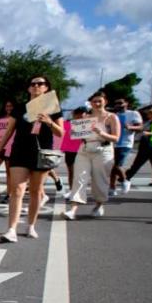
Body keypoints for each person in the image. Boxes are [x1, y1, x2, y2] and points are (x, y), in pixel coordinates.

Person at [0, 76, 63, 242]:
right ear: (28, 89)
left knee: (35, 191)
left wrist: (49, 122)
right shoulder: (20, 108)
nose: (35, 86)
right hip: (19, 151)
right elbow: (9, 130)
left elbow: (61, 133)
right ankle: (11, 229)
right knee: (17, 190)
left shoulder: (53, 108)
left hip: (41, 153)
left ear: (46, 87)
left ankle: (31, 225)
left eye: (40, 84)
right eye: (32, 84)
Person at [63, 92, 118, 221]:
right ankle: (73, 209)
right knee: (79, 178)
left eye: (100, 101)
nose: (97, 104)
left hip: (103, 150)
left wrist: (102, 133)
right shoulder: (86, 117)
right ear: (90, 103)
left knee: (99, 180)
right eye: (94, 101)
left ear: (105, 102)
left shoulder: (111, 117)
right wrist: (75, 130)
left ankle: (99, 205)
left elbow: (116, 138)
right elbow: (77, 135)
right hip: (85, 149)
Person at [125, 106, 152, 186]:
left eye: (150, 113)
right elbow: (142, 128)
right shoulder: (151, 121)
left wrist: (148, 133)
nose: (148, 115)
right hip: (149, 145)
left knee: (140, 162)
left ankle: (127, 176)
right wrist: (131, 127)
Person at [109, 97, 142, 195]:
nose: (118, 105)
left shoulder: (133, 114)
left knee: (117, 165)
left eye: (120, 103)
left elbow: (140, 127)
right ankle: (112, 188)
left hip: (125, 143)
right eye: (116, 103)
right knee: (112, 166)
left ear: (126, 103)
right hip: (113, 142)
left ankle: (125, 180)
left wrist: (130, 127)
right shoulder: (114, 115)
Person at [59, 106, 87, 196]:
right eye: (78, 115)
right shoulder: (67, 123)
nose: (80, 117)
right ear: (74, 114)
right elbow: (62, 137)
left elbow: (87, 139)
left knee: (80, 172)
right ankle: (72, 191)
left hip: (83, 151)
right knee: (71, 171)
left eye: (82, 115)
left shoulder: (87, 124)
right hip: (70, 151)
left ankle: (79, 191)